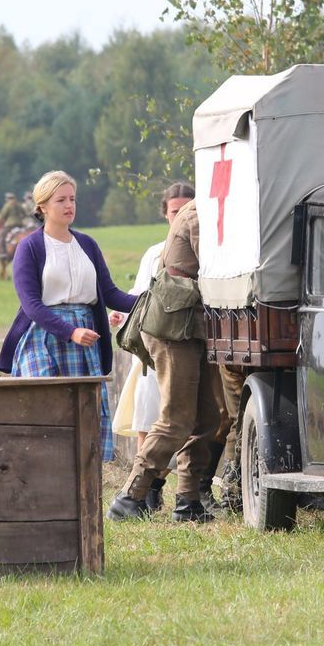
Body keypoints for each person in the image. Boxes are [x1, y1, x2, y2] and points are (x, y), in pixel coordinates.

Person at [0, 171, 136, 465]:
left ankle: (83, 479)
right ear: (42, 206)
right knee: (45, 409)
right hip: (43, 337)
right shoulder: (30, 247)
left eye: (72, 199)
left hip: (85, 337)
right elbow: (32, 304)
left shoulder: (87, 245)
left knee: (84, 414)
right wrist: (69, 331)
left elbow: (110, 294)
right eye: (60, 200)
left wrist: (150, 301)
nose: (69, 205)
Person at [108, 198, 222, 523]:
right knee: (176, 418)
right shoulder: (200, 212)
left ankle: (187, 502)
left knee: (205, 419)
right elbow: (214, 265)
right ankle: (129, 496)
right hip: (173, 325)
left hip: (190, 324)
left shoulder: (207, 208)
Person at [112, 182, 195, 512]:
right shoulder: (155, 253)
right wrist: (126, 314)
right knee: (150, 416)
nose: (181, 215)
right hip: (157, 340)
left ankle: (180, 492)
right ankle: (144, 491)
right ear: (166, 214)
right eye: (176, 211)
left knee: (183, 416)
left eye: (187, 209)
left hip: (187, 338)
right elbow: (141, 294)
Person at [0, 192, 29, 257]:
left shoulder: (7, 205)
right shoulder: (19, 204)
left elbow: (3, 215)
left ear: (8, 198)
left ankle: (3, 253)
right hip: (20, 224)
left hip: (10, 224)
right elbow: (25, 214)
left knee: (1, 236)